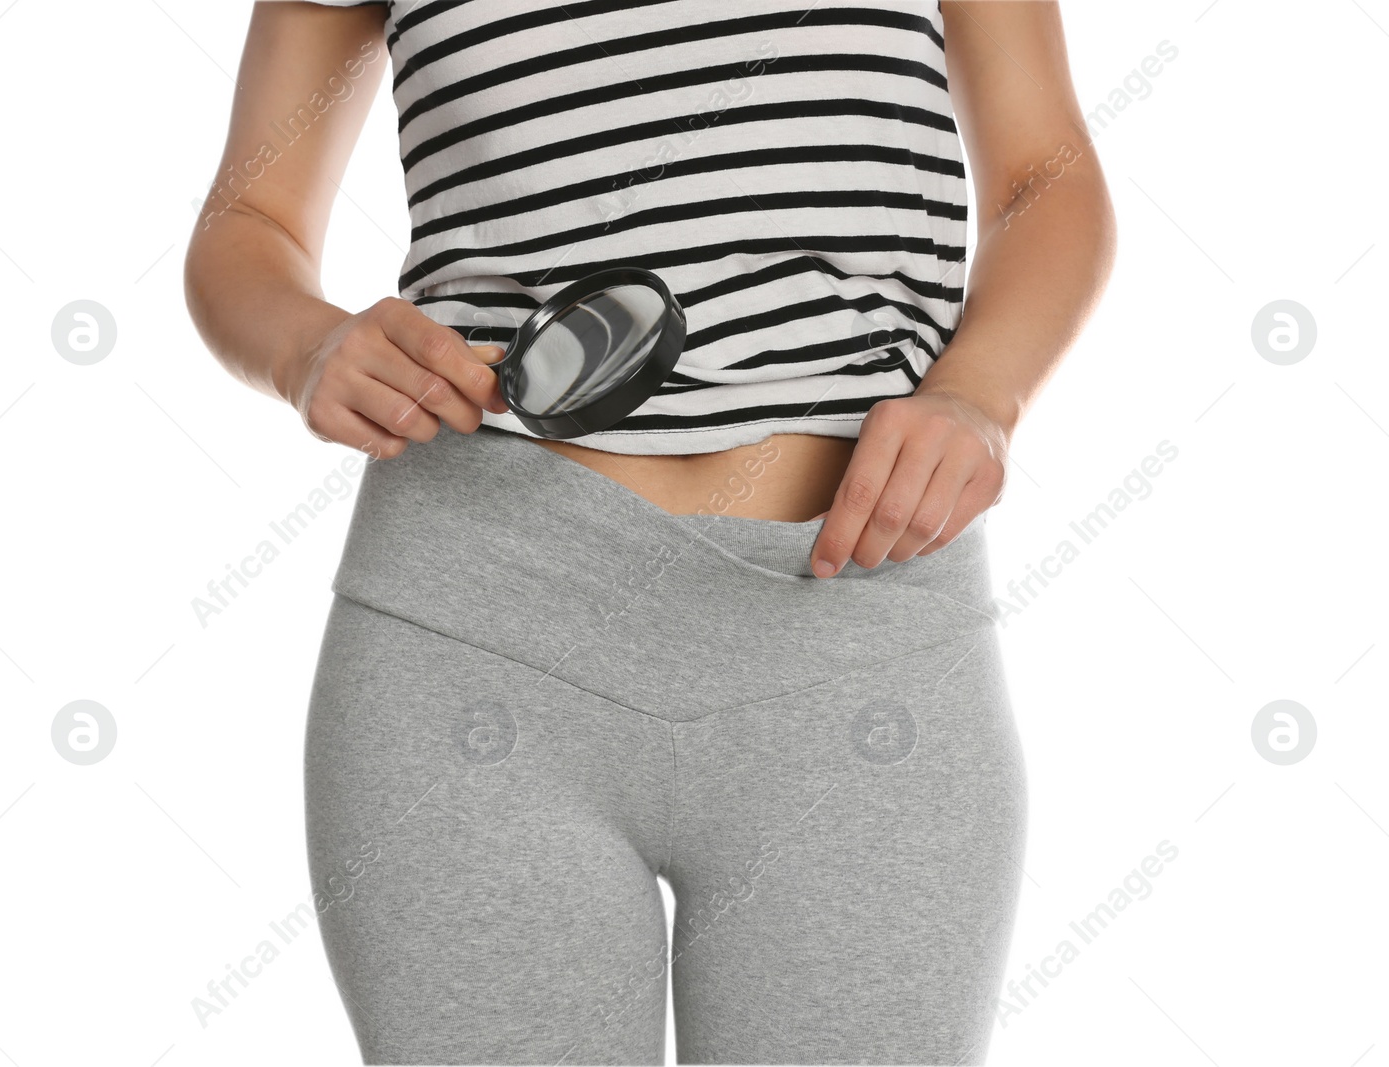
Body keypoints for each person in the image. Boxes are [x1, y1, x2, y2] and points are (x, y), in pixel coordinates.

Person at [184, 2, 1114, 1063]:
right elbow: (248, 220)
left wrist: (981, 394)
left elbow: (1045, 171)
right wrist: (307, 347)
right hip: (478, 635)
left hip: (858, 629)